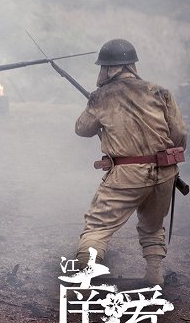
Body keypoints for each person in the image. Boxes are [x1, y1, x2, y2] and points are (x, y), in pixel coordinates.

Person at [74, 39, 187, 285]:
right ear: (131, 66)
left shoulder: (101, 96)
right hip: (165, 172)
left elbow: (82, 129)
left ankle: (81, 285)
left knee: (97, 228)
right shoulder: (160, 91)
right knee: (153, 226)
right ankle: (154, 276)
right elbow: (179, 134)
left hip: (126, 174)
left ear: (108, 68)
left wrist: (97, 105)